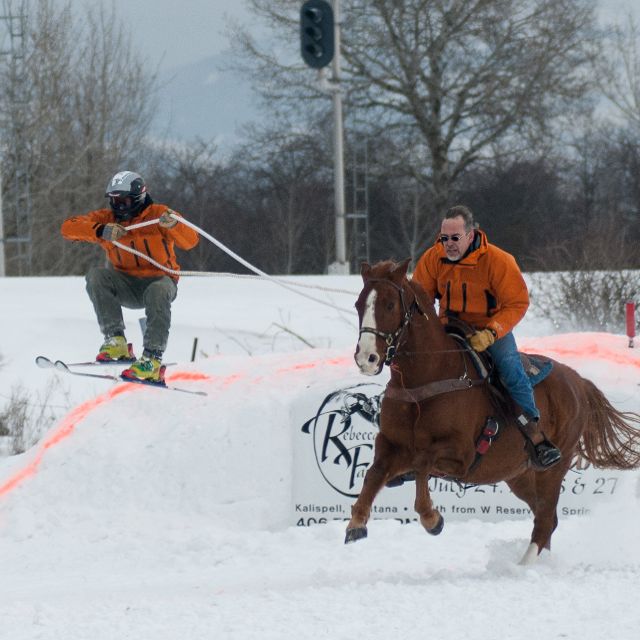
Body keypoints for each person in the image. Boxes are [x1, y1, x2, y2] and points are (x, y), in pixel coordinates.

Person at [412, 205, 561, 469]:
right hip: (450, 328)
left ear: (471, 235)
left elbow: (517, 303)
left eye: (455, 238)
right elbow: (420, 300)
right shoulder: (433, 258)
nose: (448, 245)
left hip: (490, 330)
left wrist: (491, 333)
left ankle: (536, 438)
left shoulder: (498, 260)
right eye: (444, 238)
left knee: (511, 370)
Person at [61, 171, 199, 383]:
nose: (118, 207)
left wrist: (175, 225)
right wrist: (100, 231)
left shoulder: (159, 214)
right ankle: (116, 340)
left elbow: (191, 241)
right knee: (96, 276)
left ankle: (152, 359)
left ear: (138, 198)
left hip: (160, 283)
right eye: (114, 201)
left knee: (158, 290)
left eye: (123, 201)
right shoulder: (107, 220)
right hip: (126, 285)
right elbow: (68, 228)